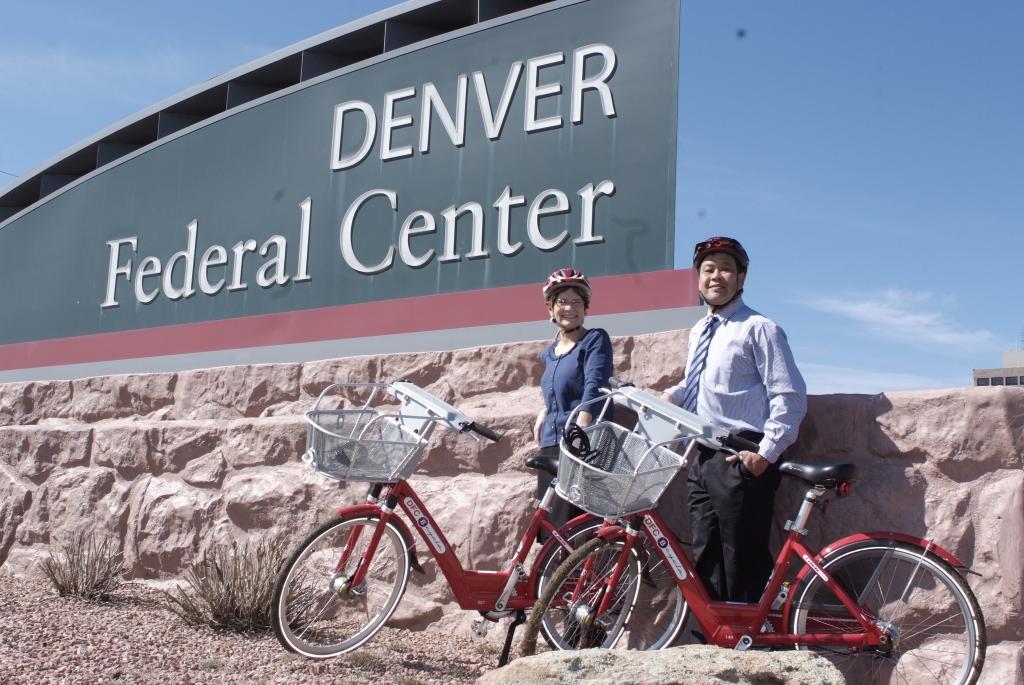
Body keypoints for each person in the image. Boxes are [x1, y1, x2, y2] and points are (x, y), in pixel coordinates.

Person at [662, 236, 806, 603]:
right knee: (705, 559)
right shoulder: (700, 331)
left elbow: (789, 396)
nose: (716, 276)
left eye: (726, 268)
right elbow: (700, 382)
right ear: (698, 278)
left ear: (741, 278)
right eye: (708, 269)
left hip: (743, 454)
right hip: (704, 455)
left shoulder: (759, 328)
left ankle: (754, 651)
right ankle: (711, 649)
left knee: (742, 562)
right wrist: (671, 396)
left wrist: (766, 454)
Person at [533, 268, 614, 532]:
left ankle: (572, 575)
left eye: (576, 302)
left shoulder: (594, 340)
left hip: (579, 444)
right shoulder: (548, 354)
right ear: (550, 307)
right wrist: (545, 411)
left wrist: (579, 431)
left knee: (572, 526)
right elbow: (558, 391)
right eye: (562, 302)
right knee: (549, 525)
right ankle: (551, 575)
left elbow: (595, 386)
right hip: (550, 444)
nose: (569, 308)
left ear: (586, 308)